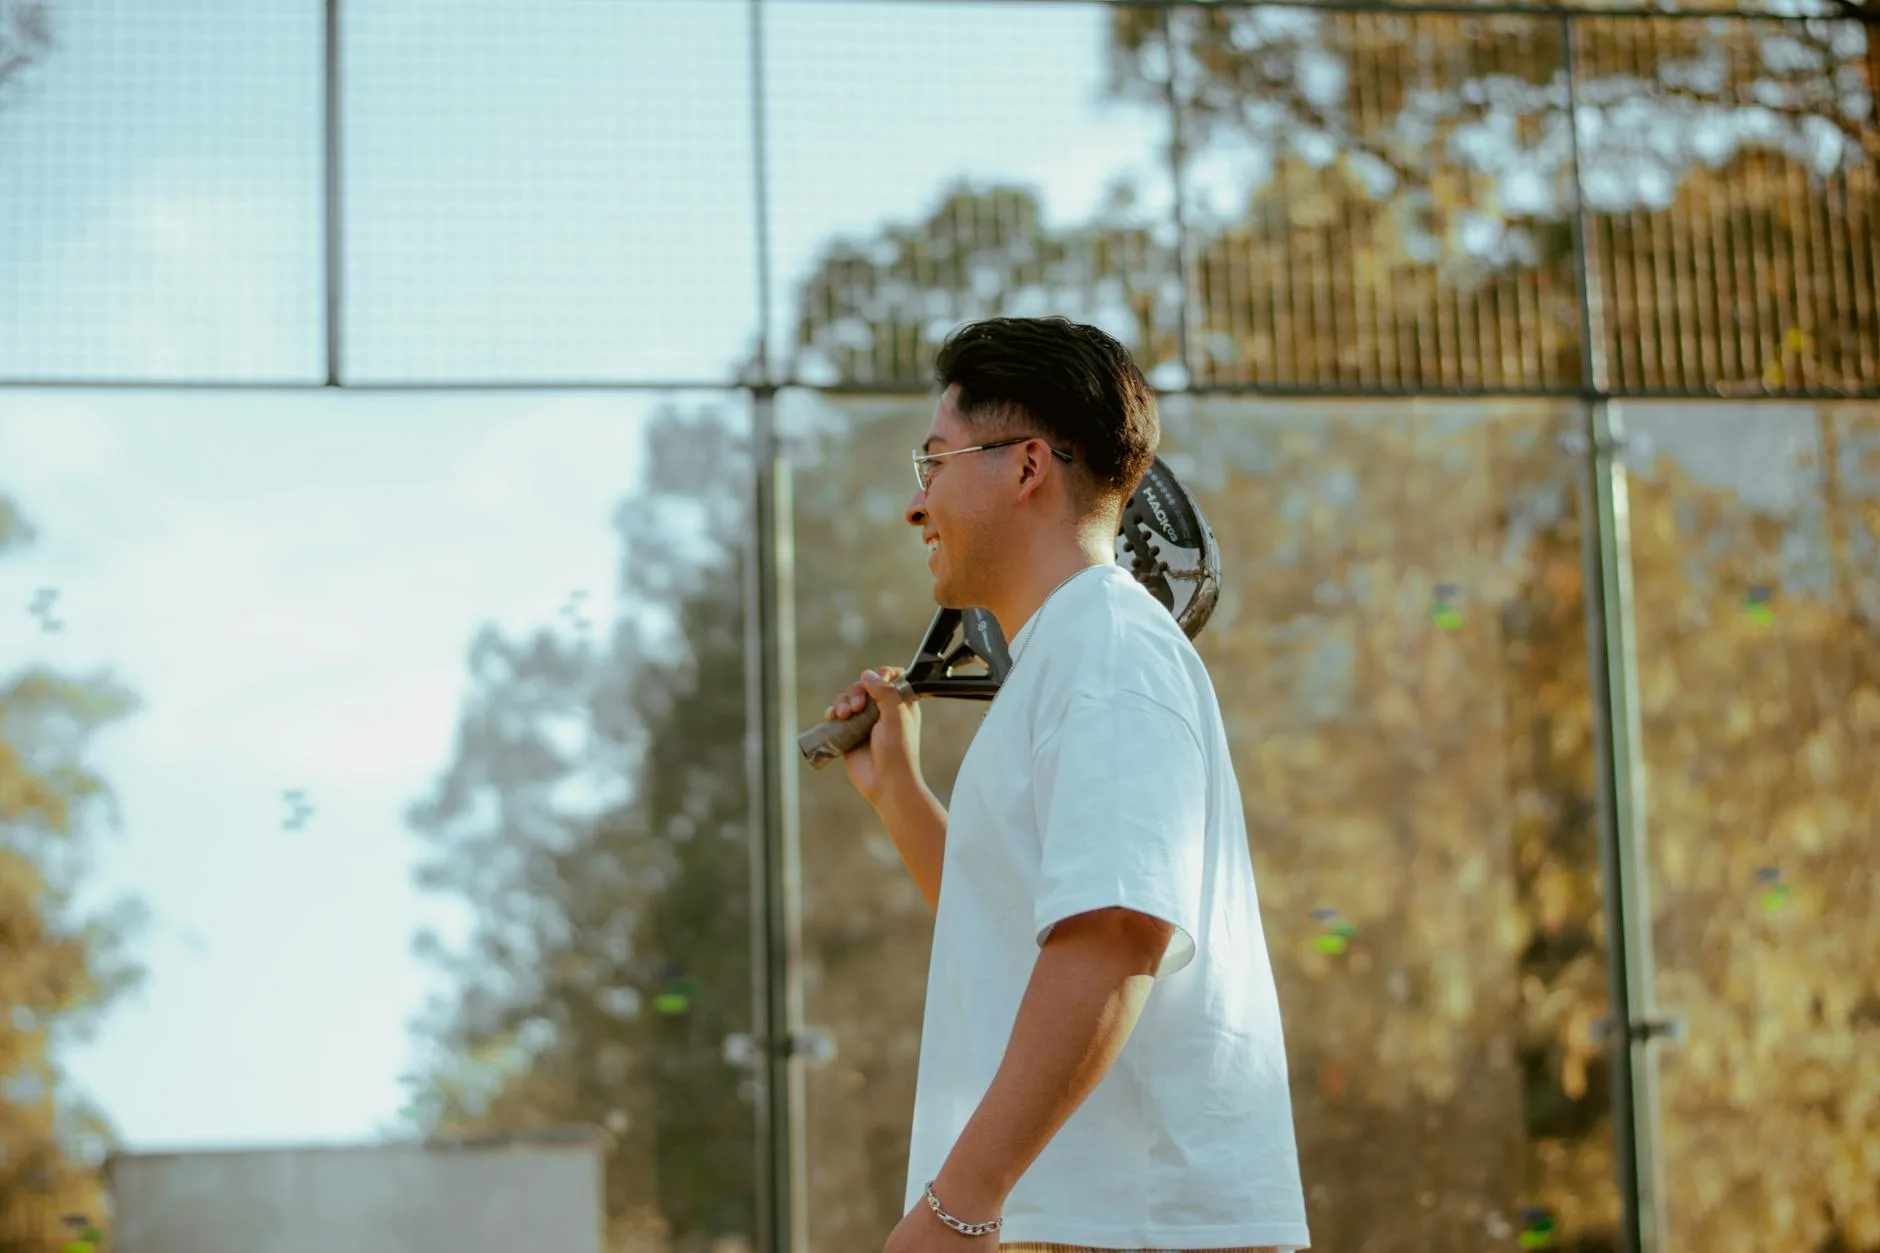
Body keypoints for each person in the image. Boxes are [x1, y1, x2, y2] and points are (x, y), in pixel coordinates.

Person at [820, 316, 1310, 1253]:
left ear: (1026, 465)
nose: (915, 505)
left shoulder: (1109, 648)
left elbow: (1117, 934)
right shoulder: (1073, 656)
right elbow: (1025, 927)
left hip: (1132, 1230)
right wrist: (901, 796)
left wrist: (962, 1205)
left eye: (933, 463)